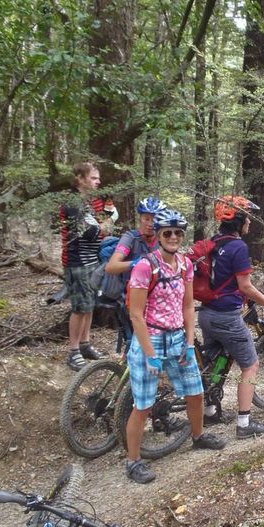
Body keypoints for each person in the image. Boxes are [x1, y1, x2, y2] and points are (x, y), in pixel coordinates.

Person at [124, 209, 226, 484]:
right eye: (167, 233)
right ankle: (133, 462)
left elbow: (187, 305)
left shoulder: (185, 265)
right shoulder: (145, 266)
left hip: (179, 338)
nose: (173, 237)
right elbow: (135, 313)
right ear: (158, 236)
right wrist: (149, 354)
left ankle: (198, 436)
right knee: (143, 404)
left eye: (177, 233)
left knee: (195, 391)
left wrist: (190, 342)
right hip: (151, 338)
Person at [196, 195, 264, 439]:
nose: (250, 221)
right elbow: (246, 285)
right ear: (238, 220)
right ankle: (244, 423)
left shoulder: (213, 242)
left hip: (206, 313)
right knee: (251, 365)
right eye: (247, 217)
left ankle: (209, 410)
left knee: (214, 363)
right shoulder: (238, 247)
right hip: (226, 317)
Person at [59, 161, 113, 371]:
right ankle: (73, 352)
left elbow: (104, 227)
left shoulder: (88, 203)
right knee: (80, 307)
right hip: (77, 262)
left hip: (92, 260)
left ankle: (85, 344)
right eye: (93, 178)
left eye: (98, 178)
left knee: (90, 305)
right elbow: (90, 232)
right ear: (80, 179)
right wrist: (102, 226)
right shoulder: (73, 204)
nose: (98, 182)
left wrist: (102, 226)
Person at [105, 197, 166, 345]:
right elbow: (111, 267)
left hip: (156, 300)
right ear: (140, 218)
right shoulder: (130, 238)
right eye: (146, 219)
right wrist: (135, 264)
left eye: (155, 219)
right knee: (135, 343)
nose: (151, 224)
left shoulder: (163, 240)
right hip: (131, 298)